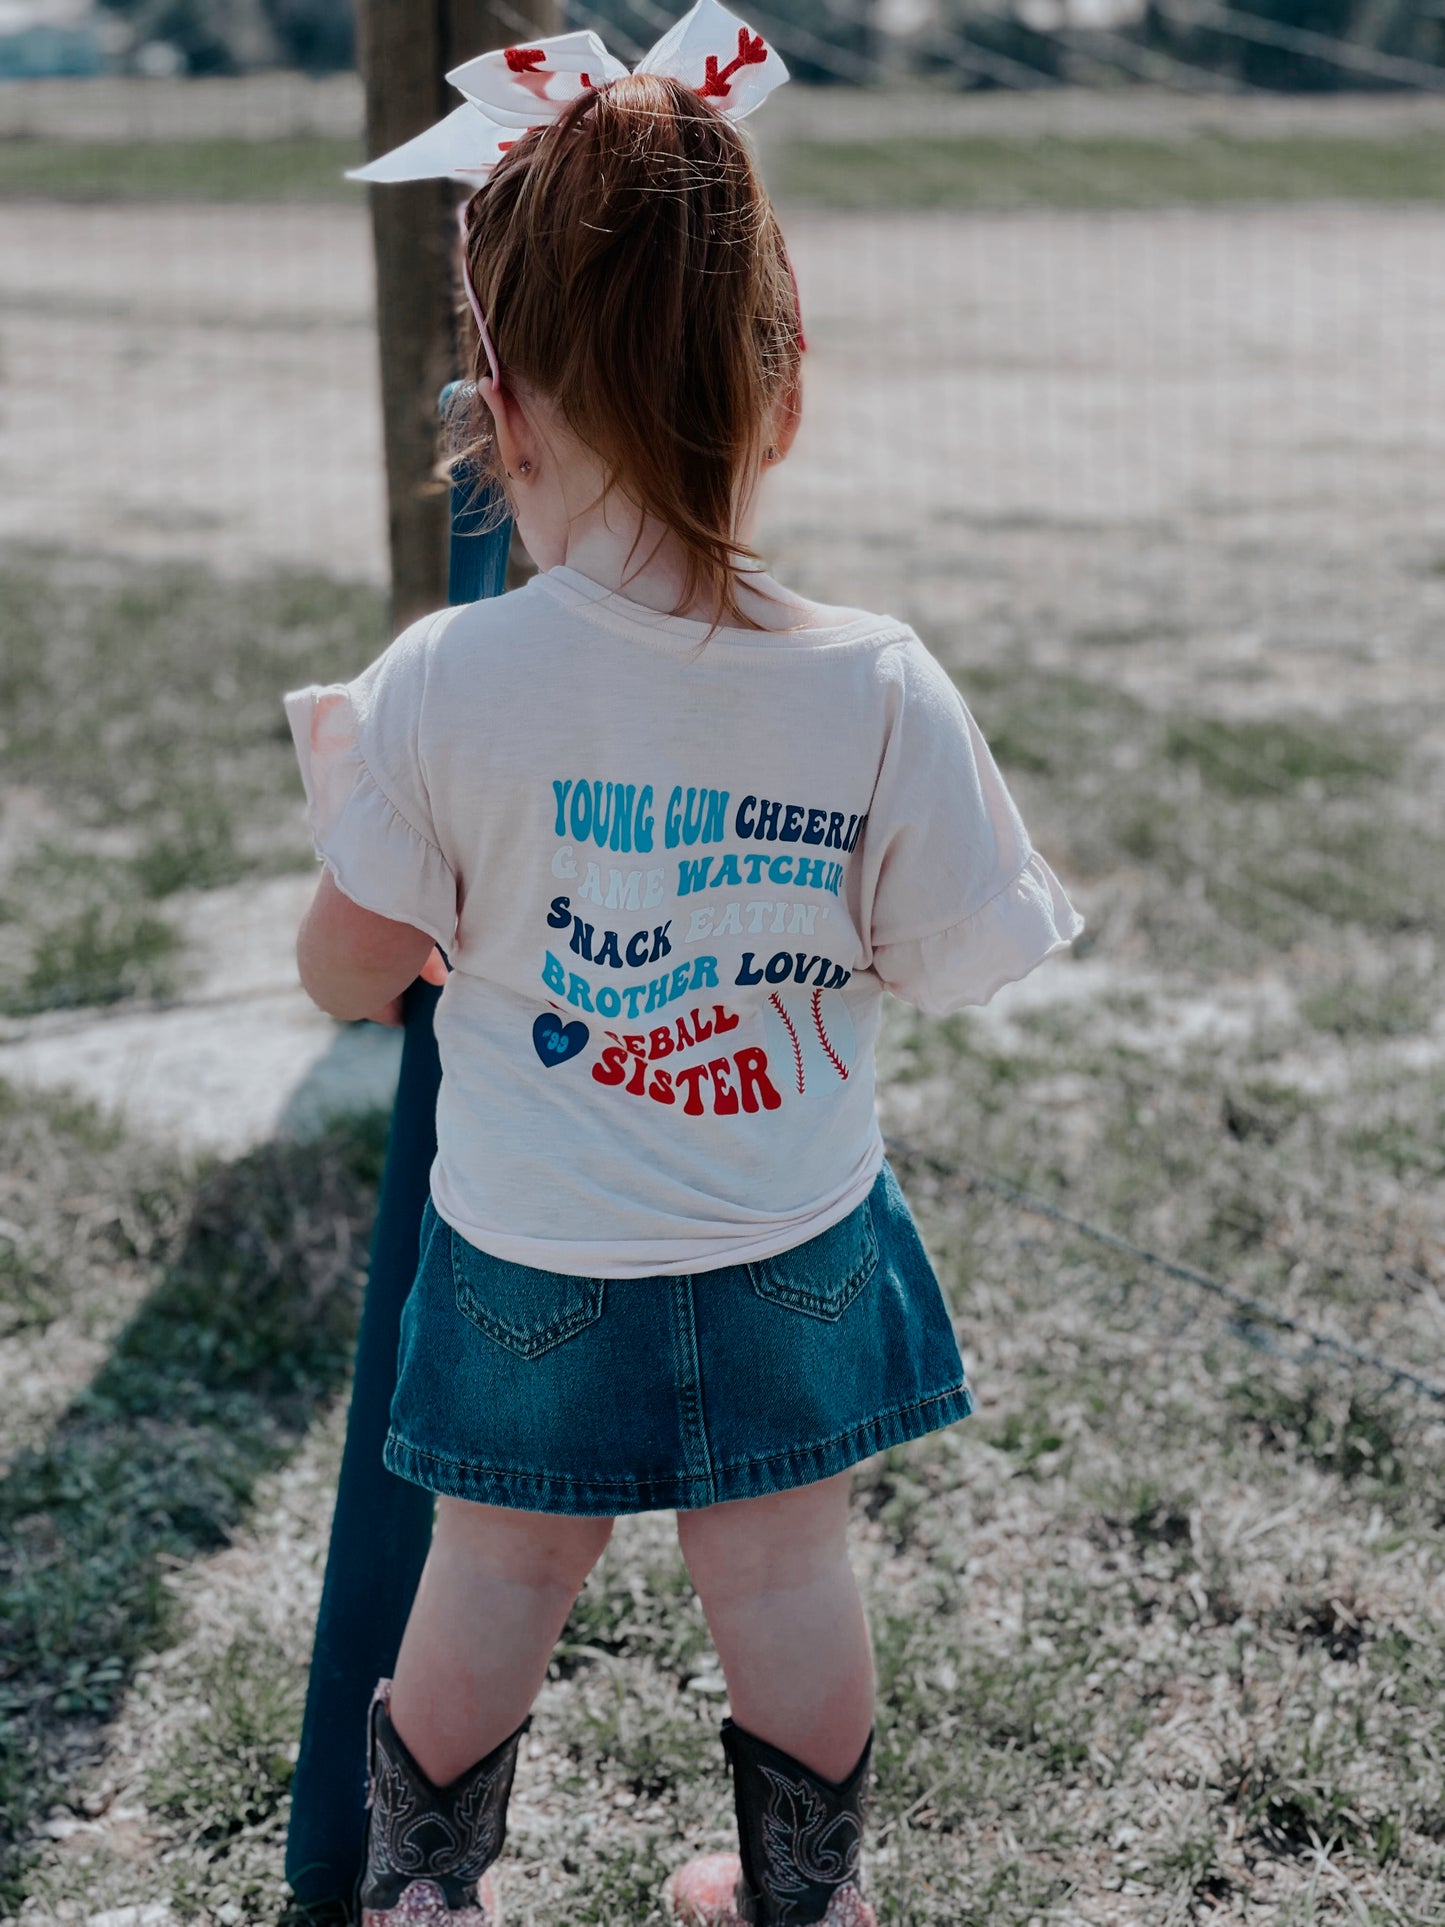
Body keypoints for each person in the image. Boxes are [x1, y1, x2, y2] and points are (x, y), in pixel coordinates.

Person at [284, 5, 1084, 1922]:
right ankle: (807, 1902)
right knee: (783, 1574)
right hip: (790, 1231)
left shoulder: (445, 680)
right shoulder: (877, 679)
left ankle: (420, 1894)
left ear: (507, 404)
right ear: (776, 393)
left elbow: (343, 973)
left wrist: (368, 829)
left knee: (493, 1571)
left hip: (533, 1249)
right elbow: (953, 951)